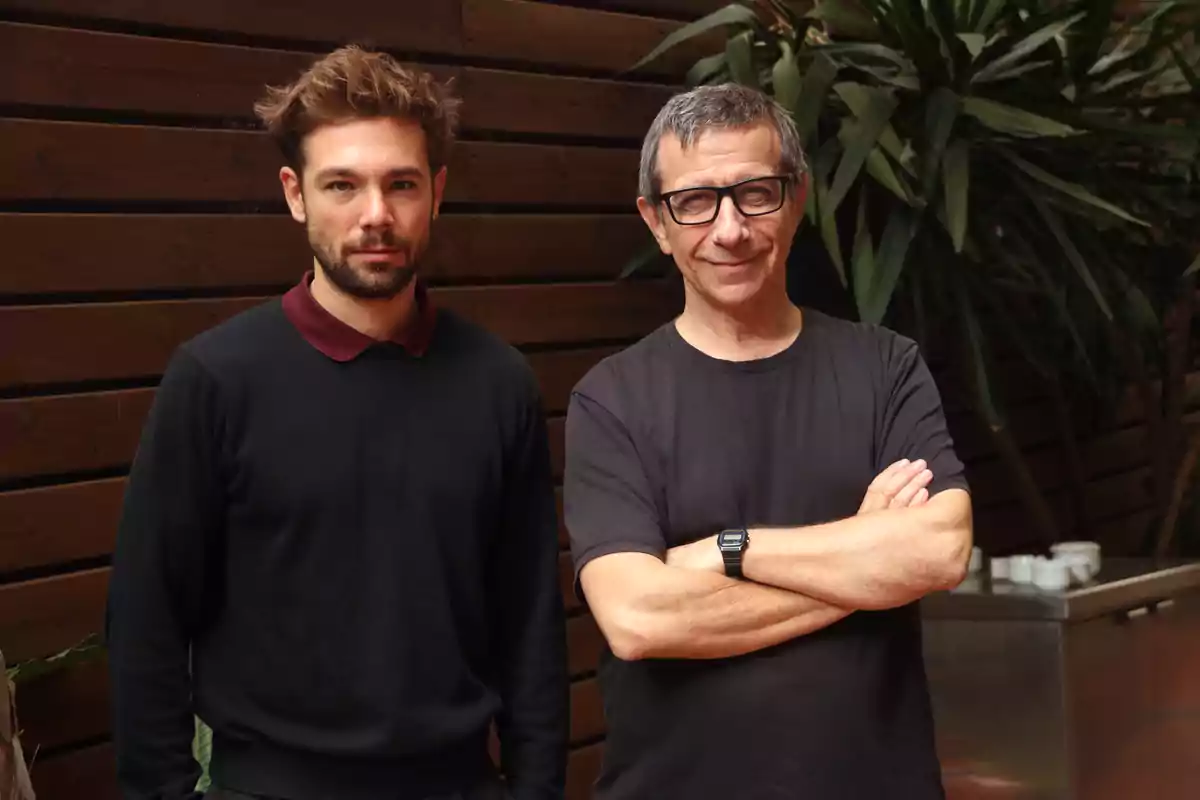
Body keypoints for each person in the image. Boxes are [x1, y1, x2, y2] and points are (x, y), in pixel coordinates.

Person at [106, 46, 568, 800]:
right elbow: (146, 623)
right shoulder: (216, 379)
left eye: (401, 185)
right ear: (295, 195)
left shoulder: (499, 383)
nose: (375, 215)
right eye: (342, 185)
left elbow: (531, 630)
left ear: (437, 193)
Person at [563, 83, 973, 799]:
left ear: (797, 200)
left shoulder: (885, 367)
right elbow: (637, 617)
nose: (729, 229)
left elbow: (938, 550)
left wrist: (732, 551)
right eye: (695, 202)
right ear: (656, 223)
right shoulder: (612, 399)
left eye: (756, 193)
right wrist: (865, 565)